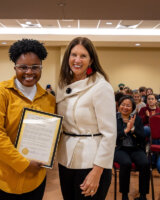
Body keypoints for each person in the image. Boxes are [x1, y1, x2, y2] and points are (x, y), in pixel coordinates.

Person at [0, 39, 56, 200]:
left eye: (35, 67)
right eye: (23, 67)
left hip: (33, 180)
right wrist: (23, 162)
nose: (29, 72)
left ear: (41, 67)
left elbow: (50, 134)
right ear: (15, 68)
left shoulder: (49, 99)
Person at [56, 37, 116, 200]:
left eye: (83, 56)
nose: (77, 60)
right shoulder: (62, 85)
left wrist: (97, 171)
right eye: (73, 54)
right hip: (65, 159)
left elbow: (110, 134)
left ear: (91, 61)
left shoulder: (101, 87)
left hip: (91, 162)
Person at [115, 96, 149, 200]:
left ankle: (143, 195)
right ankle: (124, 195)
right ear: (119, 106)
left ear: (132, 107)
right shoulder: (114, 119)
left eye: (128, 105)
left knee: (145, 163)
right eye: (123, 105)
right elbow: (113, 137)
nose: (125, 107)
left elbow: (143, 137)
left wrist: (133, 129)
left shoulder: (137, 119)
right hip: (120, 149)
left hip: (136, 148)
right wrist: (126, 130)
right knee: (126, 163)